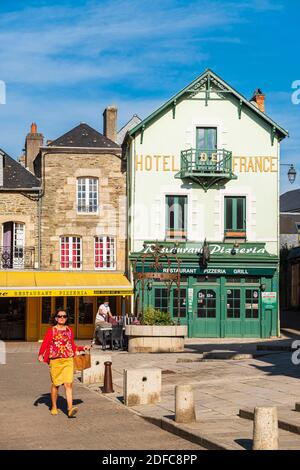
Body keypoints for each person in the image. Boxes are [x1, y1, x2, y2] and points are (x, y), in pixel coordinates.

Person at [38, 308, 90, 418]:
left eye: (64, 316)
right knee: (56, 385)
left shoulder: (69, 330)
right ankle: (54, 406)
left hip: (68, 360)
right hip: (55, 360)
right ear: (56, 318)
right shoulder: (51, 330)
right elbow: (45, 343)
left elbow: (72, 345)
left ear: (66, 318)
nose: (62, 318)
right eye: (60, 316)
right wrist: (40, 354)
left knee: (68, 384)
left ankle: (70, 409)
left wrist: (81, 348)